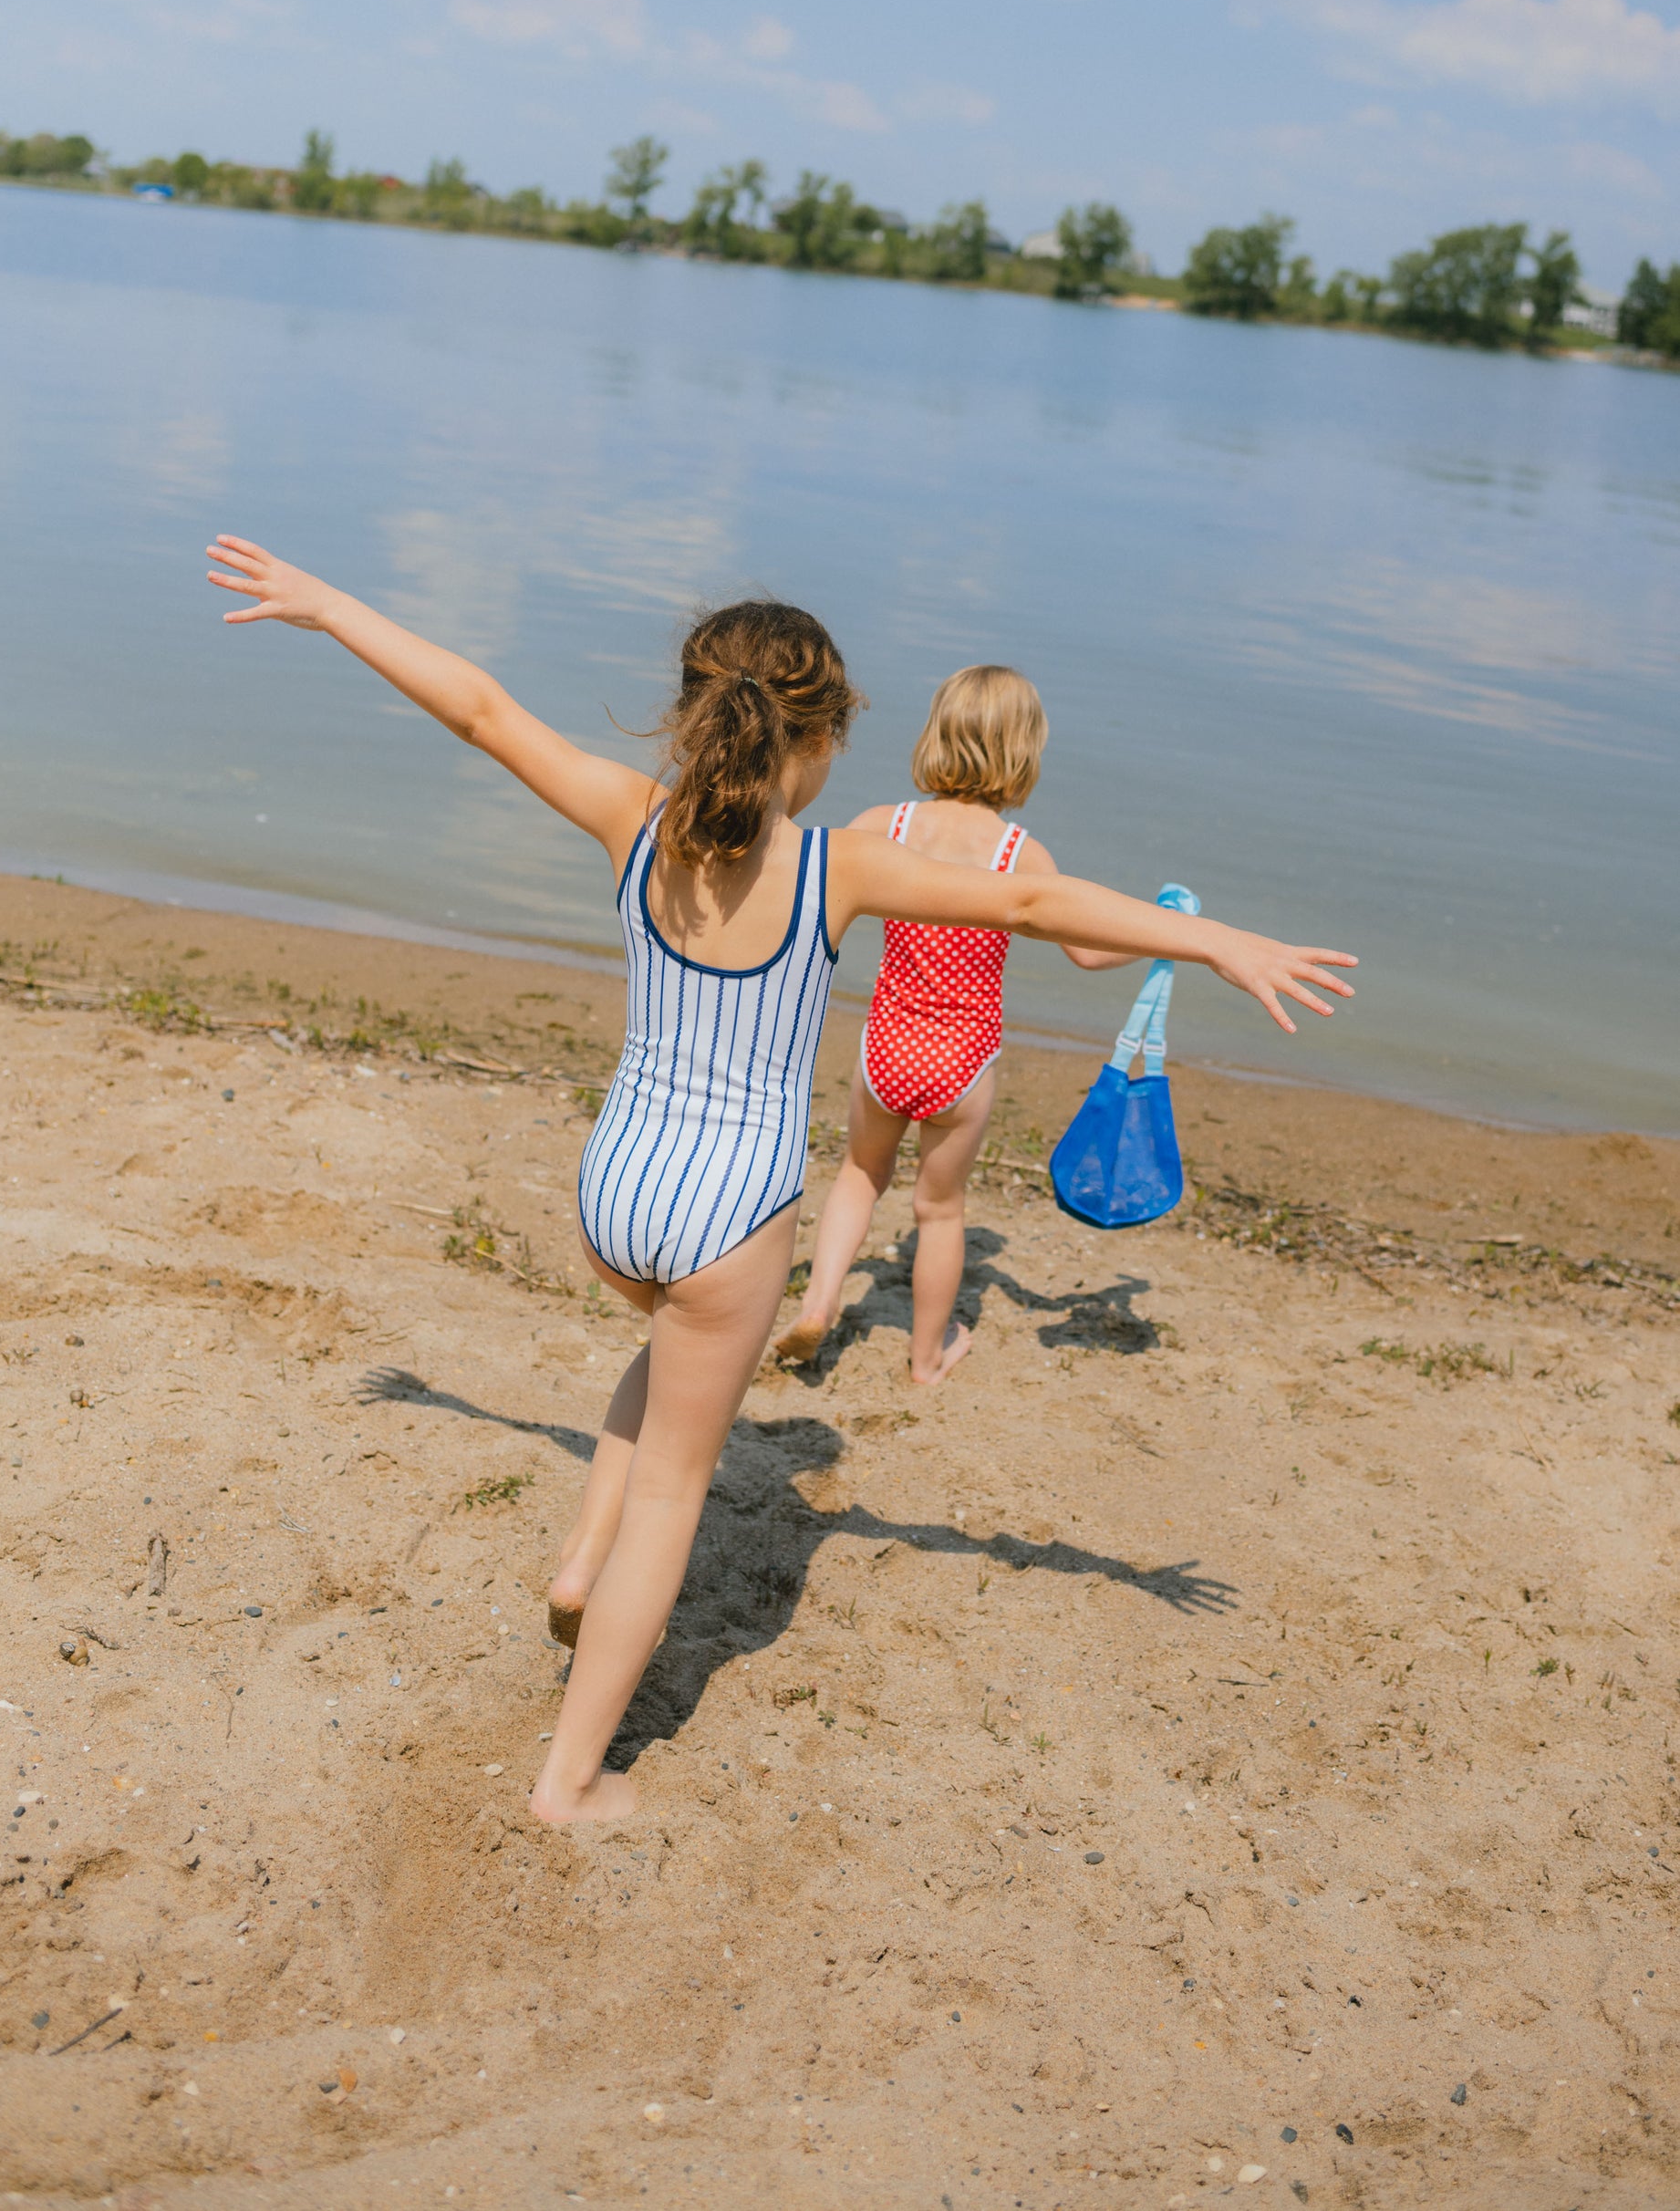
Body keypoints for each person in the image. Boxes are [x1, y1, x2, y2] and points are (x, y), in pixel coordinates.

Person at [205, 536, 1355, 1823]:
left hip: (614, 1192)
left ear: (698, 708)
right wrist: (1211, 937)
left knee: (659, 1360)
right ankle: (572, 1779)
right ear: (813, 739)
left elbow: (477, 706)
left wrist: (332, 603)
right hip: (727, 1217)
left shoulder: (625, 816)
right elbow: (1031, 909)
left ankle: (579, 1559)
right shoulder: (833, 867)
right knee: (676, 1495)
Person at [772, 664, 1129, 1384]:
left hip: (887, 1047)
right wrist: (1161, 935)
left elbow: (804, 879)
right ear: (1024, 753)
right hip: (961, 1062)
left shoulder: (885, 826)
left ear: (935, 734)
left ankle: (818, 1302)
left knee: (859, 1174)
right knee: (938, 1209)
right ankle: (926, 1356)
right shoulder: (1019, 856)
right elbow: (1088, 951)